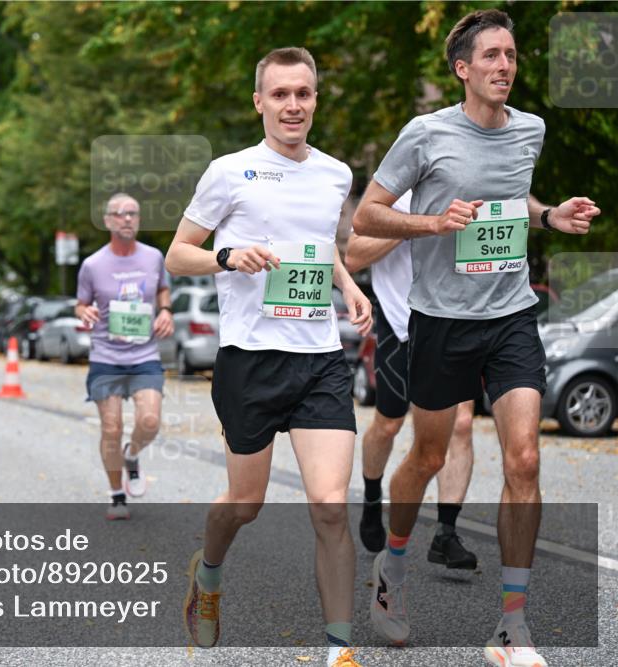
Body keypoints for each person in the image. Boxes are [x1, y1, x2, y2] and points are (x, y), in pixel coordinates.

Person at [351, 9, 600, 664]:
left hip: (511, 314)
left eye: (511, 55)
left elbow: (511, 198)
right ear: (463, 69)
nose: (505, 65)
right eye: (491, 55)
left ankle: (511, 625)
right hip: (442, 320)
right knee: (428, 456)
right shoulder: (425, 133)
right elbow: (367, 218)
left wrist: (549, 214)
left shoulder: (532, 130)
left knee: (523, 458)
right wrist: (432, 225)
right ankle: (392, 565)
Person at [166, 47, 372, 667]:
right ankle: (208, 572)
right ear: (259, 101)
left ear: (315, 99)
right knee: (245, 504)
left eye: (302, 93)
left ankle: (339, 649)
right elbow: (178, 254)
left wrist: (349, 284)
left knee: (331, 505)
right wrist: (229, 257)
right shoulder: (229, 172)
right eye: (279, 94)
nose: (292, 105)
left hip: (318, 361)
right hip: (250, 359)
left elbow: (319, 246)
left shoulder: (335, 174)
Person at [345, 191, 477, 569]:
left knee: (462, 425)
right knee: (388, 424)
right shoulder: (394, 191)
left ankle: (446, 533)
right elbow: (353, 255)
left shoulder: (468, 182)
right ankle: (372, 499)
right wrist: (417, 225)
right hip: (399, 323)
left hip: (452, 322)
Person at [76, 192, 173, 521]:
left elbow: (162, 288)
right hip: (105, 355)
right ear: (107, 221)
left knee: (149, 421)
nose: (127, 218)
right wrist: (84, 311)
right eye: (119, 214)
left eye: (132, 213)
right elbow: (80, 302)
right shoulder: (92, 265)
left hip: (144, 354)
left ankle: (132, 456)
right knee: (112, 427)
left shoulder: (153, 258)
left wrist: (165, 311)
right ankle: (117, 494)